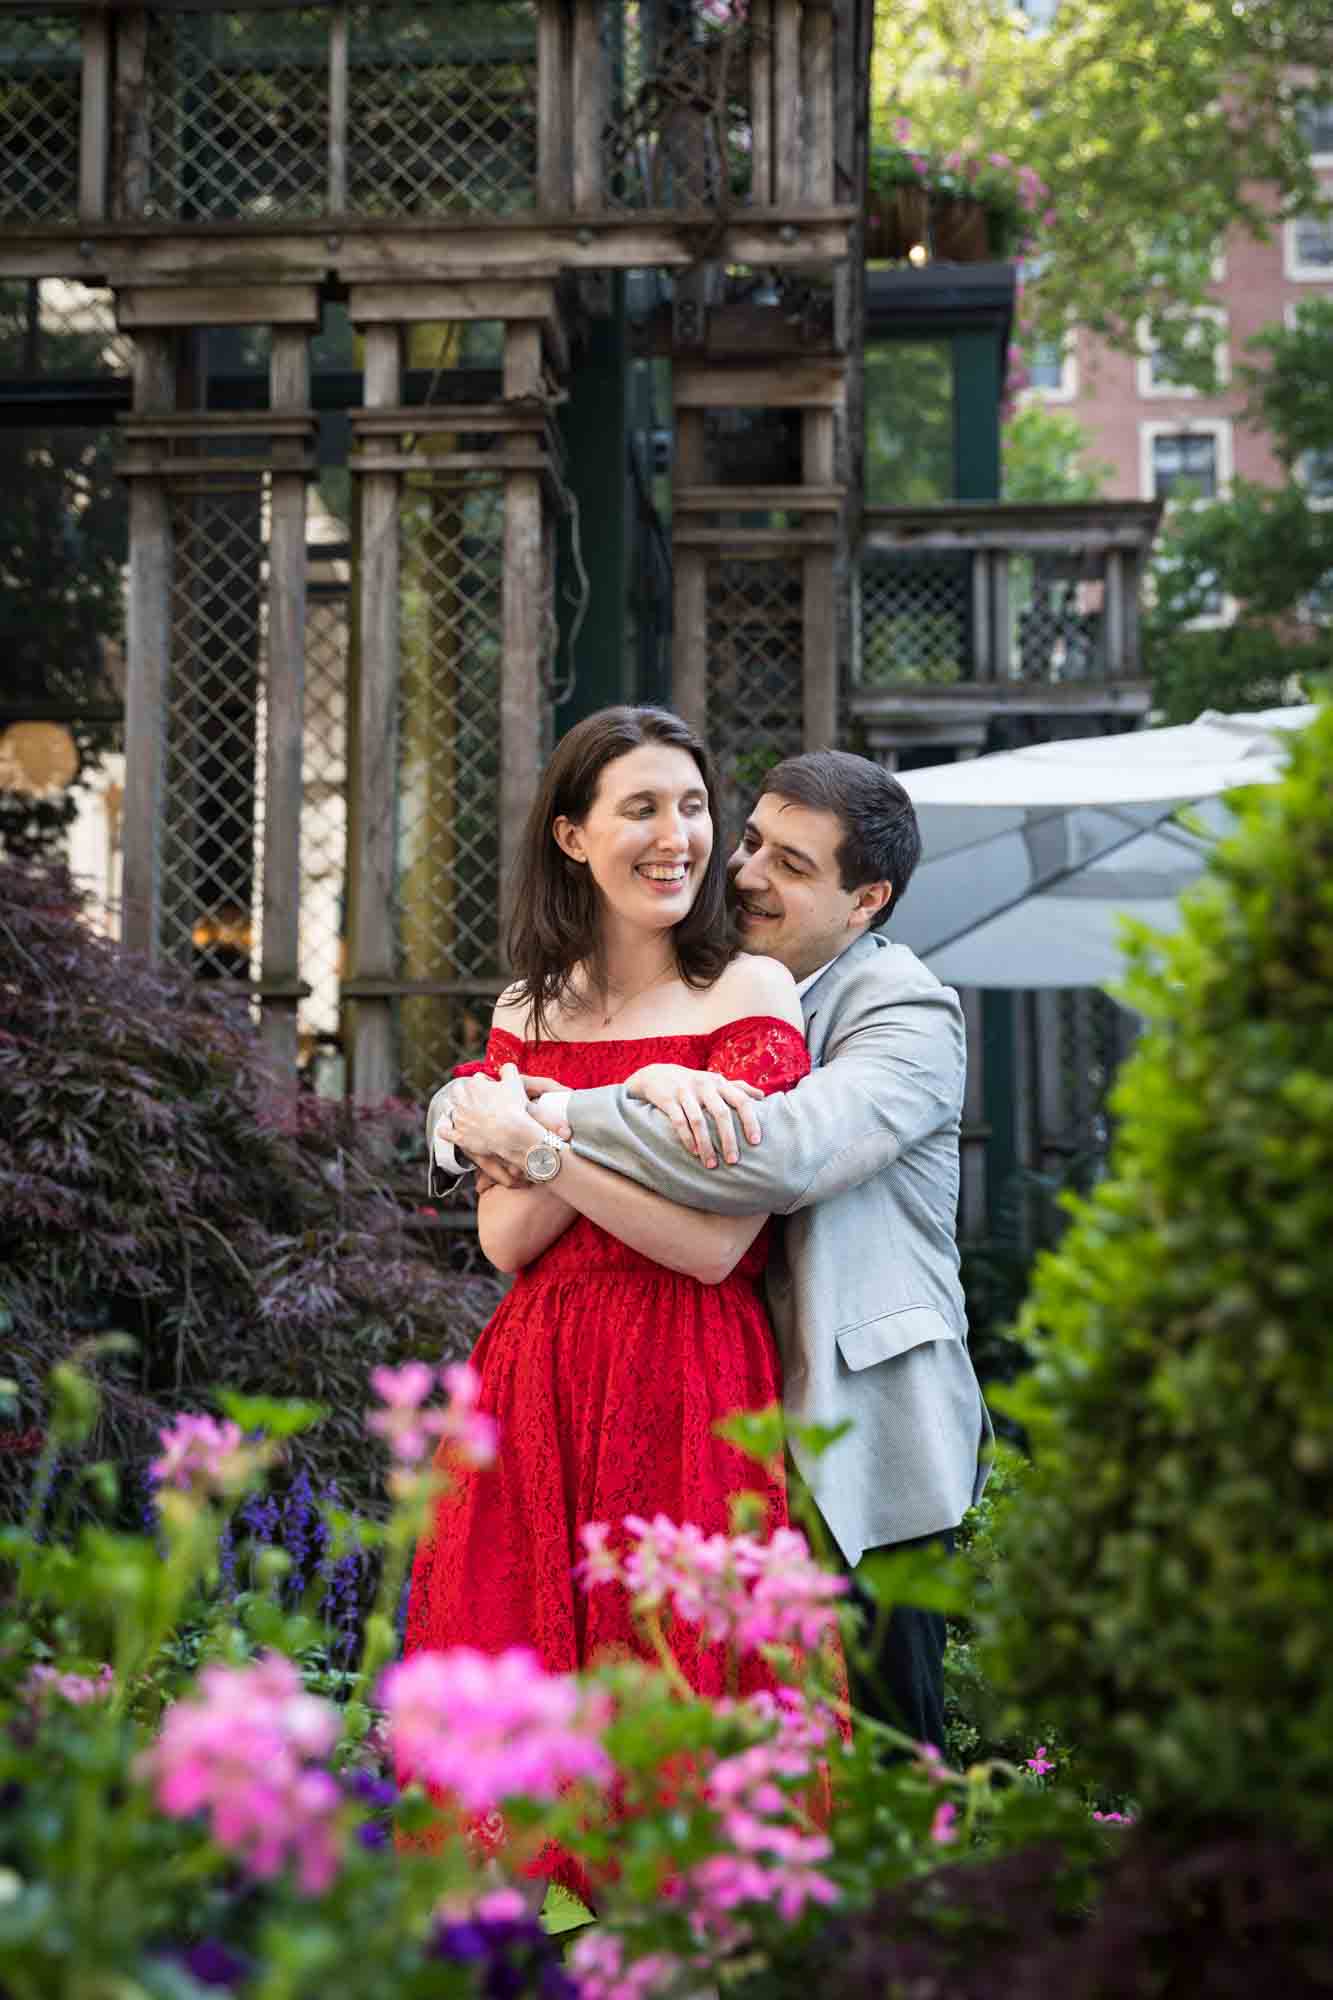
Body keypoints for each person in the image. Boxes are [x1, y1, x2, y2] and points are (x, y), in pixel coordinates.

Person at [440, 749, 992, 1750]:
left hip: (849, 1422)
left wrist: (555, 1101)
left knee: (874, 1751)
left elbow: (771, 1155)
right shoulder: (696, 988)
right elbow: (480, 1103)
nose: (743, 874)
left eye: (789, 863)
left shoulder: (903, 1013)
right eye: (748, 842)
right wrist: (482, 1100)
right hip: (709, 1402)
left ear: (865, 899)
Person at [403, 706, 840, 1898]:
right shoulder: (523, 1008)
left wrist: (542, 1134)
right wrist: (566, 1138)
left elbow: (710, 1246)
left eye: (693, 806)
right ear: (571, 836)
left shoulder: (748, 990)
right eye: (641, 807)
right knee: (518, 1718)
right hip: (532, 1381)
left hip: (688, 1370)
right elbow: (503, 1242)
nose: (679, 836)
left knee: (675, 1706)